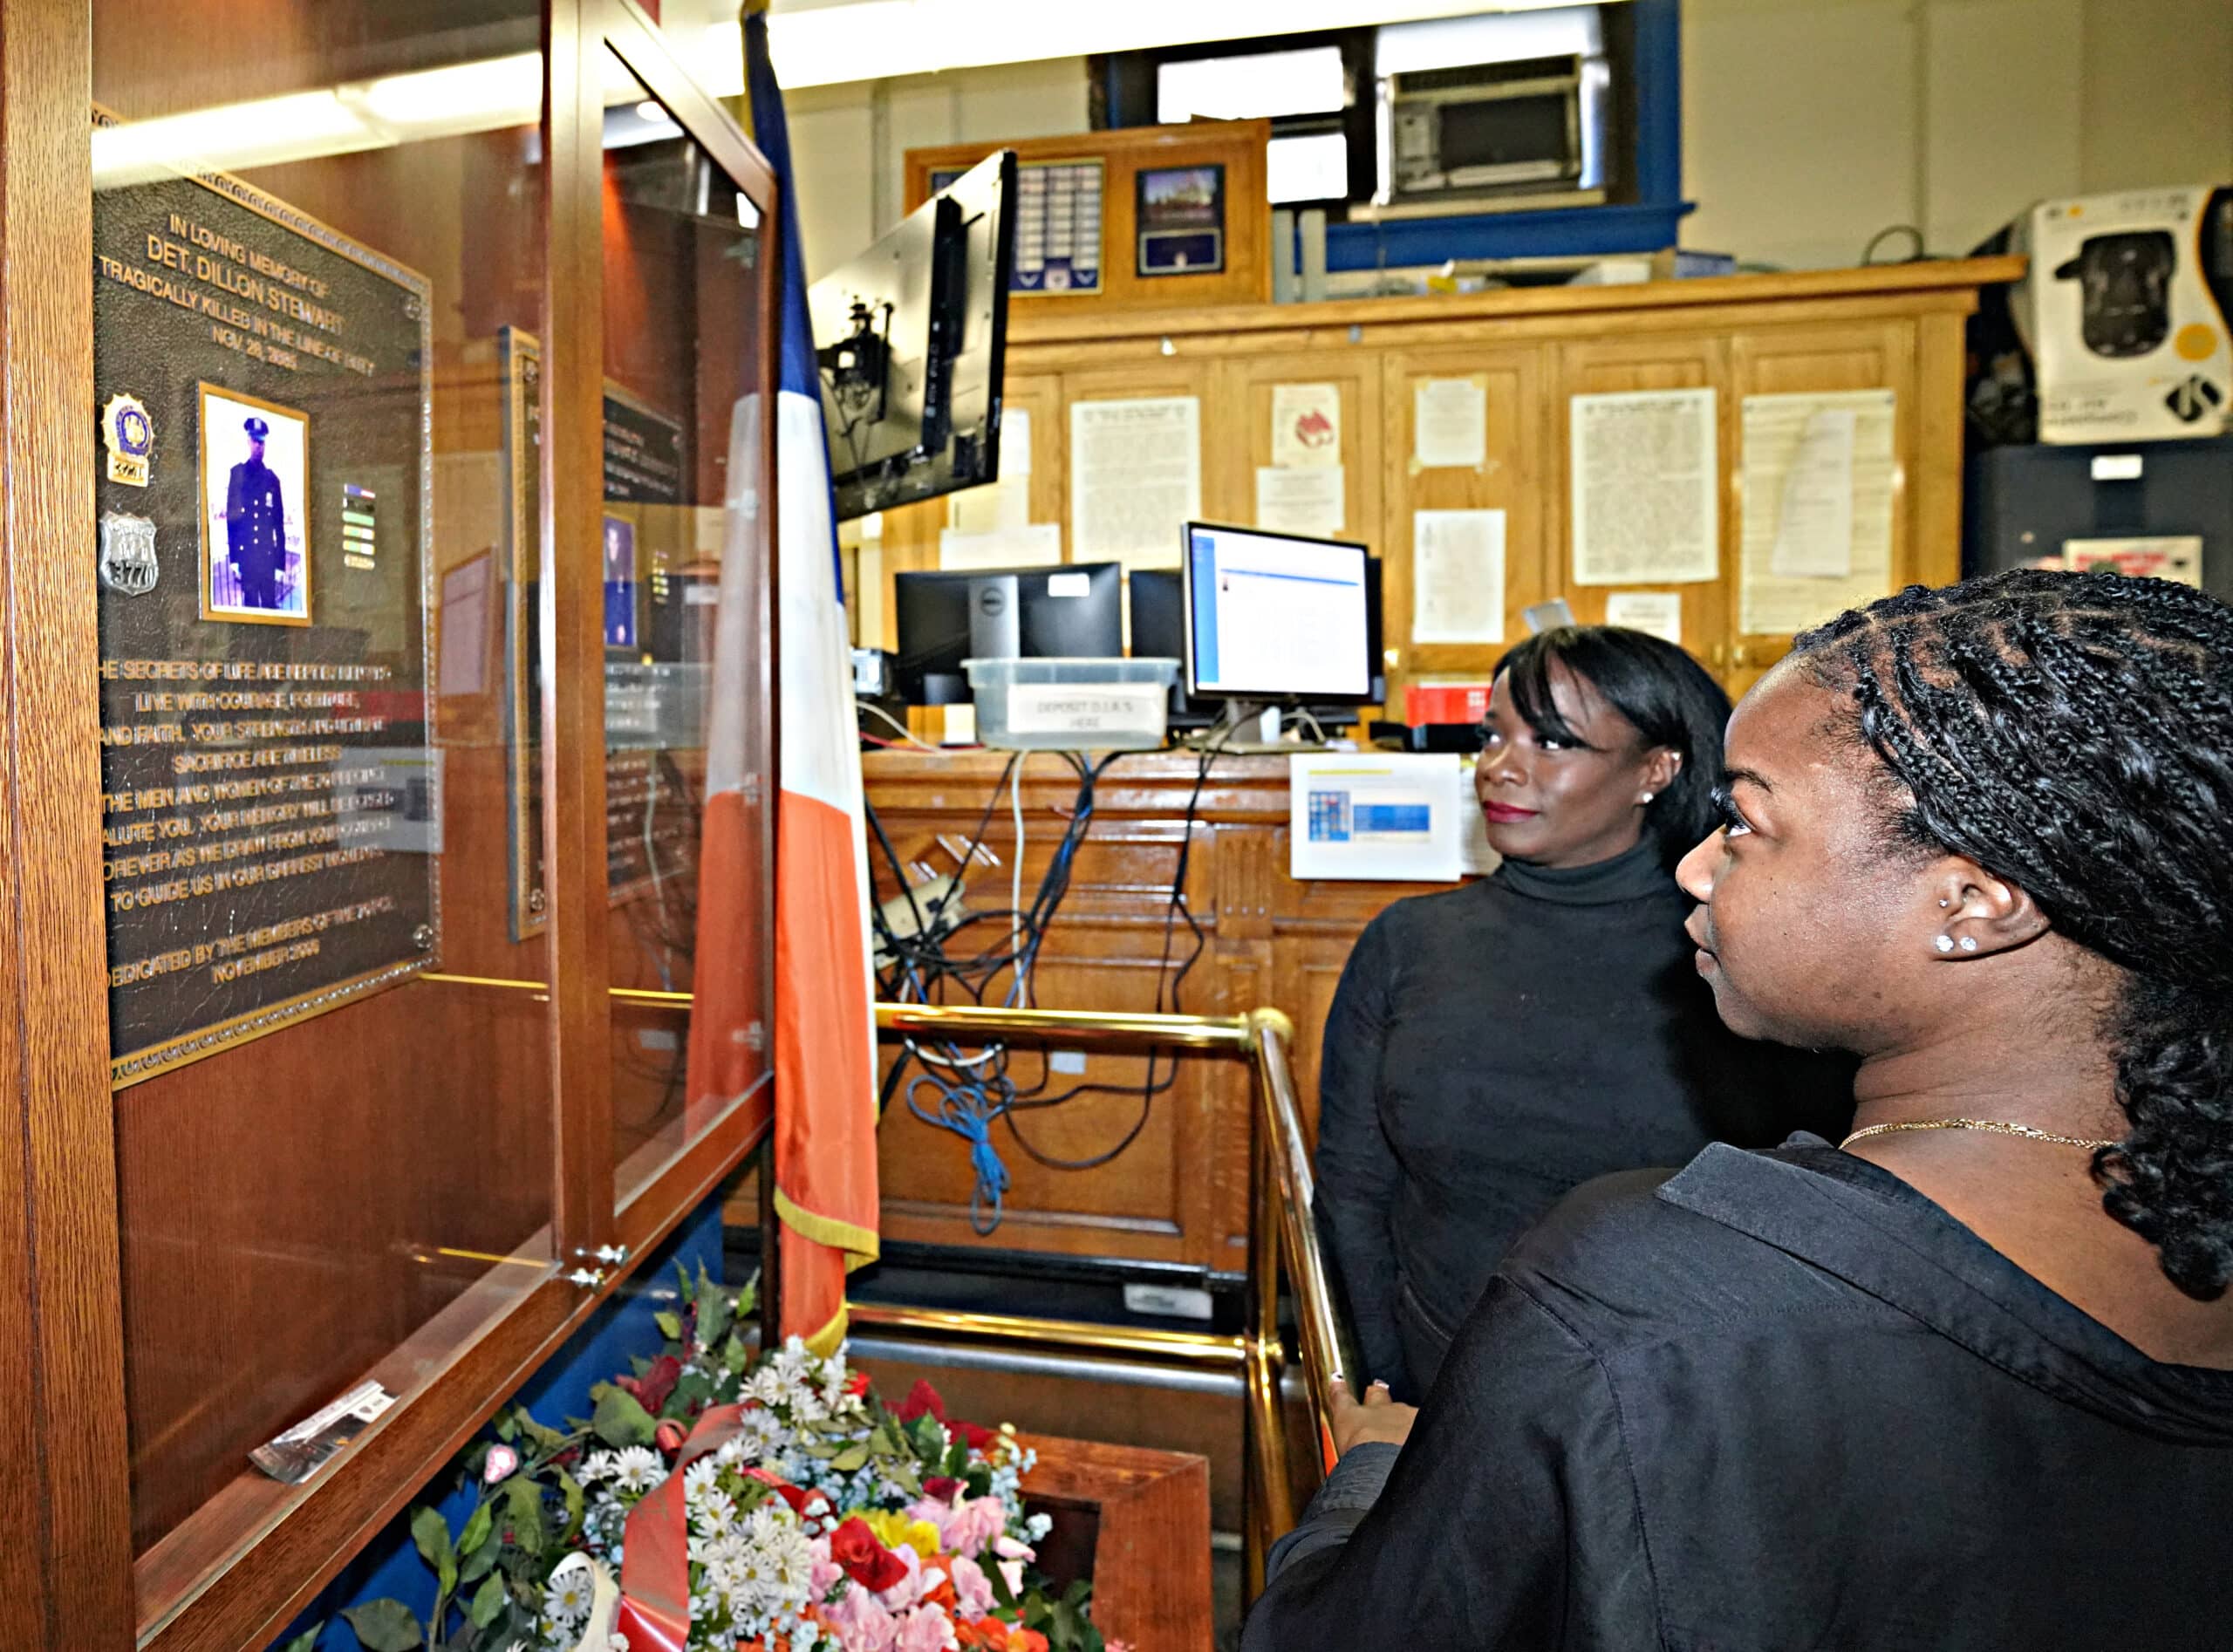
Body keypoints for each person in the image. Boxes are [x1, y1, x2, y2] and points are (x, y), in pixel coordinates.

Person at [1246, 570, 2233, 1649]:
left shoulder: (1633, 1294)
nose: (1696, 865)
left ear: (1971, 905)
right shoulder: (2175, 1206)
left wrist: (1370, 1472)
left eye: (1746, 822)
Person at [1314, 625, 1850, 1401]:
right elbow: (1354, 1197)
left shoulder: (1733, 950)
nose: (1502, 767)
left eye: (1553, 742)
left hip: (1680, 1400)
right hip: (1440, 1393)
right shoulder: (1409, 942)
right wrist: (1383, 1394)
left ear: (1656, 769)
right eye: (1493, 735)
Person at [225, 414, 287, 610]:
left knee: (270, 606)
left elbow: (279, 524)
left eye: (262, 442)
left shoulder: (272, 480)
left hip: (268, 559)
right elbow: (232, 520)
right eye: (254, 441)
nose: (258, 446)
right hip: (247, 559)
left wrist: (280, 564)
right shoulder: (237, 474)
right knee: (250, 607)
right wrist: (234, 559)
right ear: (248, 441)